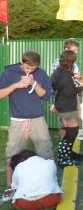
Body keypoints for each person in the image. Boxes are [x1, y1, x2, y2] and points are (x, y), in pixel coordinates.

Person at [0, 51, 54, 189]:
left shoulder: (41, 73)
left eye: (33, 68)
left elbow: (46, 96)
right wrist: (15, 85)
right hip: (18, 121)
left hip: (37, 120)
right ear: (21, 62)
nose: (30, 70)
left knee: (46, 152)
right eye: (27, 67)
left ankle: (50, 183)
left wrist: (34, 83)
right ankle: (10, 187)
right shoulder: (9, 73)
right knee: (12, 155)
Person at [51, 50, 83, 166]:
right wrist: (81, 88)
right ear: (71, 61)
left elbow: (55, 86)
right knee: (72, 132)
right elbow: (69, 92)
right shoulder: (65, 75)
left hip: (62, 105)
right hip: (67, 106)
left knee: (69, 133)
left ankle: (66, 155)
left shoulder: (59, 72)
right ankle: (63, 158)